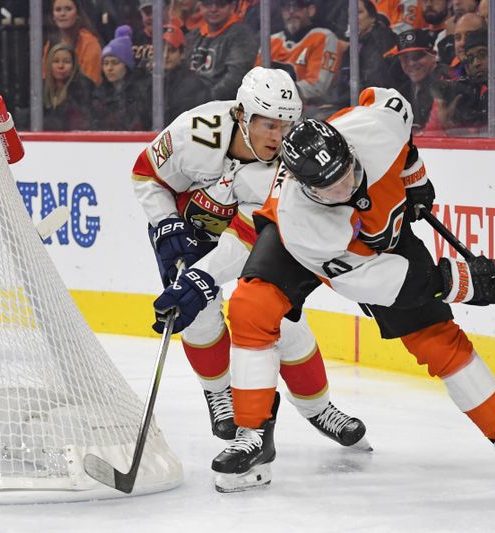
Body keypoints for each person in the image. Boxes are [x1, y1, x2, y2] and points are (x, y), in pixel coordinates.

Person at [199, 87, 495, 491]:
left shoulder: (374, 127)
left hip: (385, 239)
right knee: (251, 306)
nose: (345, 188)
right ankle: (253, 436)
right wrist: (462, 282)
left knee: (436, 339)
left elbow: (390, 108)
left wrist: (413, 175)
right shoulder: (306, 221)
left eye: (346, 172)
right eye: (328, 188)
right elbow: (383, 283)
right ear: (304, 185)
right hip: (312, 251)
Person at [133, 67, 371, 492]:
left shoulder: (291, 167)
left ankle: (318, 409)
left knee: (285, 323)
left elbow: (246, 236)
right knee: (199, 316)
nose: (279, 136)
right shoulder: (197, 130)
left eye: (287, 124)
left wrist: (204, 275)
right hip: (182, 231)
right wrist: (166, 224)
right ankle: (218, 393)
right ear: (242, 114)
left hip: (246, 239)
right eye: (269, 124)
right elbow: (146, 174)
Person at [264, 0, 345, 117]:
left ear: (310, 10)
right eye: (286, 7)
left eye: (297, 7)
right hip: (274, 106)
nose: (291, 12)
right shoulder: (271, 41)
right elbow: (255, 80)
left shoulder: (324, 37)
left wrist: (278, 93)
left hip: (314, 108)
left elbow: (318, 87)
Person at [186, 0, 258, 100]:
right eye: (207, 4)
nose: (213, 9)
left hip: (224, 107)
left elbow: (235, 79)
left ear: (232, 7)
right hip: (190, 103)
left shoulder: (242, 35)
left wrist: (203, 101)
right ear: (200, 6)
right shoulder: (193, 35)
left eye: (221, 4)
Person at [91, 25, 151, 131]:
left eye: (115, 63)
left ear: (126, 65)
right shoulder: (99, 94)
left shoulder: (141, 92)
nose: (109, 68)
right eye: (105, 63)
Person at [390, 29, 447, 130]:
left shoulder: (446, 83)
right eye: (405, 58)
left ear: (433, 55)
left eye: (417, 56)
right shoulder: (403, 91)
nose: (411, 63)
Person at [44, 0, 103, 86]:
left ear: (78, 14)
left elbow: (91, 82)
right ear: (53, 16)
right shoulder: (50, 44)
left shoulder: (90, 43)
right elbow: (45, 78)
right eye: (58, 10)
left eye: (68, 9)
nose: (62, 14)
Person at [161, 24, 210, 125]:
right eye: (160, 51)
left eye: (171, 51)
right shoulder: (151, 80)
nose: (165, 56)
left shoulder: (192, 85)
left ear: (182, 53)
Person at [356, 0, 408, 92]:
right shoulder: (356, 43)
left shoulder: (382, 39)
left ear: (372, 17)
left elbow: (377, 80)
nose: (353, 18)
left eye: (359, 12)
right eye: (350, 14)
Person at [43, 43, 95, 131]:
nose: (61, 66)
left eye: (67, 62)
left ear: (74, 65)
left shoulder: (84, 89)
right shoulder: (40, 89)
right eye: (56, 61)